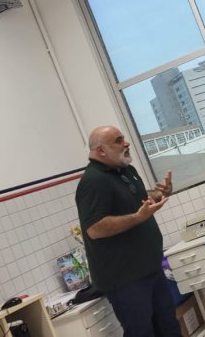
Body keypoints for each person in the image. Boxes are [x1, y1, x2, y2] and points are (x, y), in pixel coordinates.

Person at [75, 125, 180, 337]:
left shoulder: (125, 170)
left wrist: (161, 193)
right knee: (141, 332)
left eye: (123, 138)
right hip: (125, 278)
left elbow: (140, 200)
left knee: (168, 326)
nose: (126, 143)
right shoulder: (93, 181)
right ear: (101, 151)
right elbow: (94, 228)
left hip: (150, 268)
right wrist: (138, 218)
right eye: (118, 140)